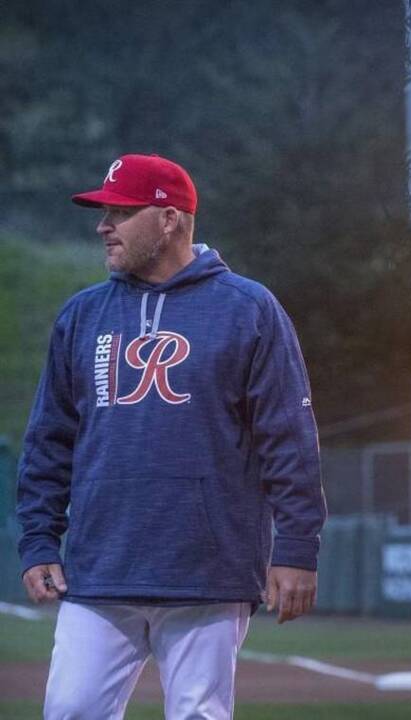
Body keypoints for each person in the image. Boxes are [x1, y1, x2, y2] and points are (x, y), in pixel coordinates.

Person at [16, 154, 326, 718]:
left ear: (169, 219)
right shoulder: (82, 315)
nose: (102, 225)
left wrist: (298, 548)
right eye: (103, 212)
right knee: (69, 709)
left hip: (207, 568)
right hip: (100, 565)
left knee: (198, 714)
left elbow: (289, 439)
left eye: (120, 211)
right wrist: (38, 538)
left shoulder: (248, 308)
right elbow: (49, 441)